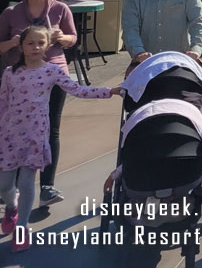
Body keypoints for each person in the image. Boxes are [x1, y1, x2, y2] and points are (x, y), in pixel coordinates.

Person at [0, 25, 120, 250]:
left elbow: (78, 90)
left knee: (26, 181)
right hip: (9, 136)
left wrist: (108, 91)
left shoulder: (52, 71)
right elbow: (3, 103)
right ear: (21, 46)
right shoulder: (10, 73)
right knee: (4, 184)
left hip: (35, 137)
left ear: (47, 45)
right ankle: (12, 206)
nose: (35, 47)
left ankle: (22, 227)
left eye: (40, 43)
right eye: (30, 43)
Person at [0, 0, 79, 207]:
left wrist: (61, 38)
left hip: (52, 73)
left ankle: (47, 185)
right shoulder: (11, 13)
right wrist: (14, 42)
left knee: (51, 128)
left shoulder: (60, 9)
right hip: (20, 76)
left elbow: (73, 38)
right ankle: (9, 184)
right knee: (12, 126)